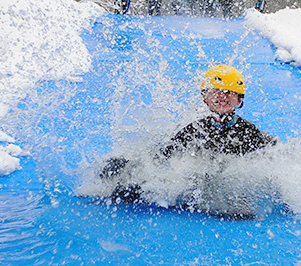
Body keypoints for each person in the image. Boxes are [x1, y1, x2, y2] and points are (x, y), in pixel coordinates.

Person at [101, 64, 277, 203]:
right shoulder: (194, 130)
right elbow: (162, 157)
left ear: (239, 99)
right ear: (204, 96)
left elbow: (275, 159)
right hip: (197, 186)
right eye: (216, 90)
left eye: (230, 92)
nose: (223, 96)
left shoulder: (248, 132)